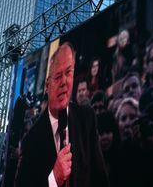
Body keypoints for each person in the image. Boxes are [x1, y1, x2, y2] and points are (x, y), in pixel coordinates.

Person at [15, 42, 109, 187]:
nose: (64, 82)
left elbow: (100, 178)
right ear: (47, 86)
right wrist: (53, 179)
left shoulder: (87, 118)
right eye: (58, 76)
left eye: (68, 73)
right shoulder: (31, 141)